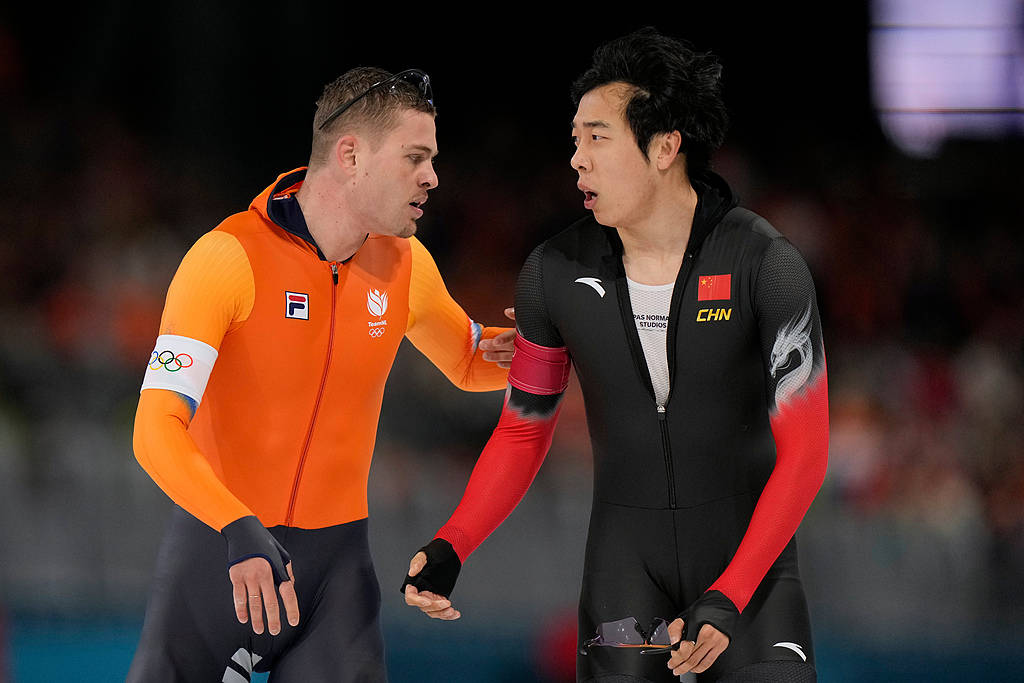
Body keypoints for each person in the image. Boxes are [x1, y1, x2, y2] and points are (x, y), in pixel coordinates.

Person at [402, 28, 829, 683]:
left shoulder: (765, 266)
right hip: (624, 574)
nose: (577, 159)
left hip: (751, 579)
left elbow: (806, 453)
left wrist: (731, 593)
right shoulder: (554, 274)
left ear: (664, 147)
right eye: (575, 139)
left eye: (597, 138)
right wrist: (452, 542)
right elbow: (523, 430)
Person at [128, 66, 514, 682]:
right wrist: (235, 525)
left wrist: (557, 346)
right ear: (351, 155)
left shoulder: (405, 264)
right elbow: (154, 429)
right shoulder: (227, 258)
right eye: (415, 157)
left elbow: (470, 360)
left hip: (336, 575)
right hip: (223, 552)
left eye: (432, 159)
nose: (432, 177)